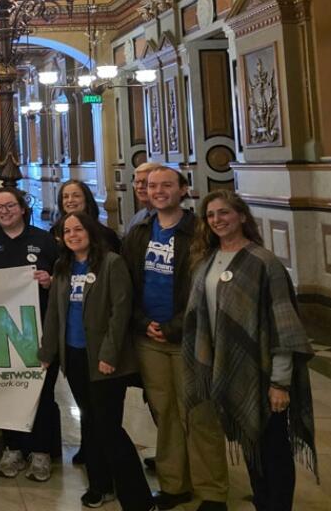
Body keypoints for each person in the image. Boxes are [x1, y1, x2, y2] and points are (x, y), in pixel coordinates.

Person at [183, 191, 316, 511]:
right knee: (250, 446)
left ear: (242, 216)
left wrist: (280, 383)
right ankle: (262, 503)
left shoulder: (263, 262)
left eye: (224, 212)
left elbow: (283, 325)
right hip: (228, 367)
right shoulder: (207, 261)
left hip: (263, 372)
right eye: (211, 215)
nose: (217, 220)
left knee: (273, 449)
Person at [122, 166, 228, 510]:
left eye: (166, 185)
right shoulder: (139, 231)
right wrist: (143, 323)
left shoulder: (200, 232)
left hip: (190, 337)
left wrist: (174, 326)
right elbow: (127, 284)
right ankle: (174, 483)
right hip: (149, 338)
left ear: (183, 189)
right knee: (164, 412)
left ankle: (212, 490)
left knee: (199, 412)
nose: (158, 191)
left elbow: (208, 288)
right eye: (152, 185)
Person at [40, 213, 153, 511]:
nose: (73, 235)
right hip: (74, 355)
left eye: (78, 229)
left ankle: (138, 498)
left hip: (103, 359)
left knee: (109, 427)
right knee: (89, 422)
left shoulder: (111, 263)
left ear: (90, 231)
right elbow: (54, 314)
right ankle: (100, 484)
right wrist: (47, 353)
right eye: (67, 231)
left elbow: (121, 311)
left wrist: (109, 354)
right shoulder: (62, 267)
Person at [0, 188, 60, 482]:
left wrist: (49, 281)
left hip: (38, 330)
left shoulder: (44, 241)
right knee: (6, 390)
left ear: (22, 208)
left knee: (42, 391)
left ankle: (41, 451)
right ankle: (13, 447)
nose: (4, 211)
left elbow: (63, 279)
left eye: (10, 205)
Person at [55, 179, 122, 254]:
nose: (70, 200)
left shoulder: (106, 235)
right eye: (65, 197)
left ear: (86, 199)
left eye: (76, 196)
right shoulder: (54, 232)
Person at [125, 161, 161, 235]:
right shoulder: (137, 218)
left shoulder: (170, 218)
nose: (140, 186)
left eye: (145, 182)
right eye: (136, 182)